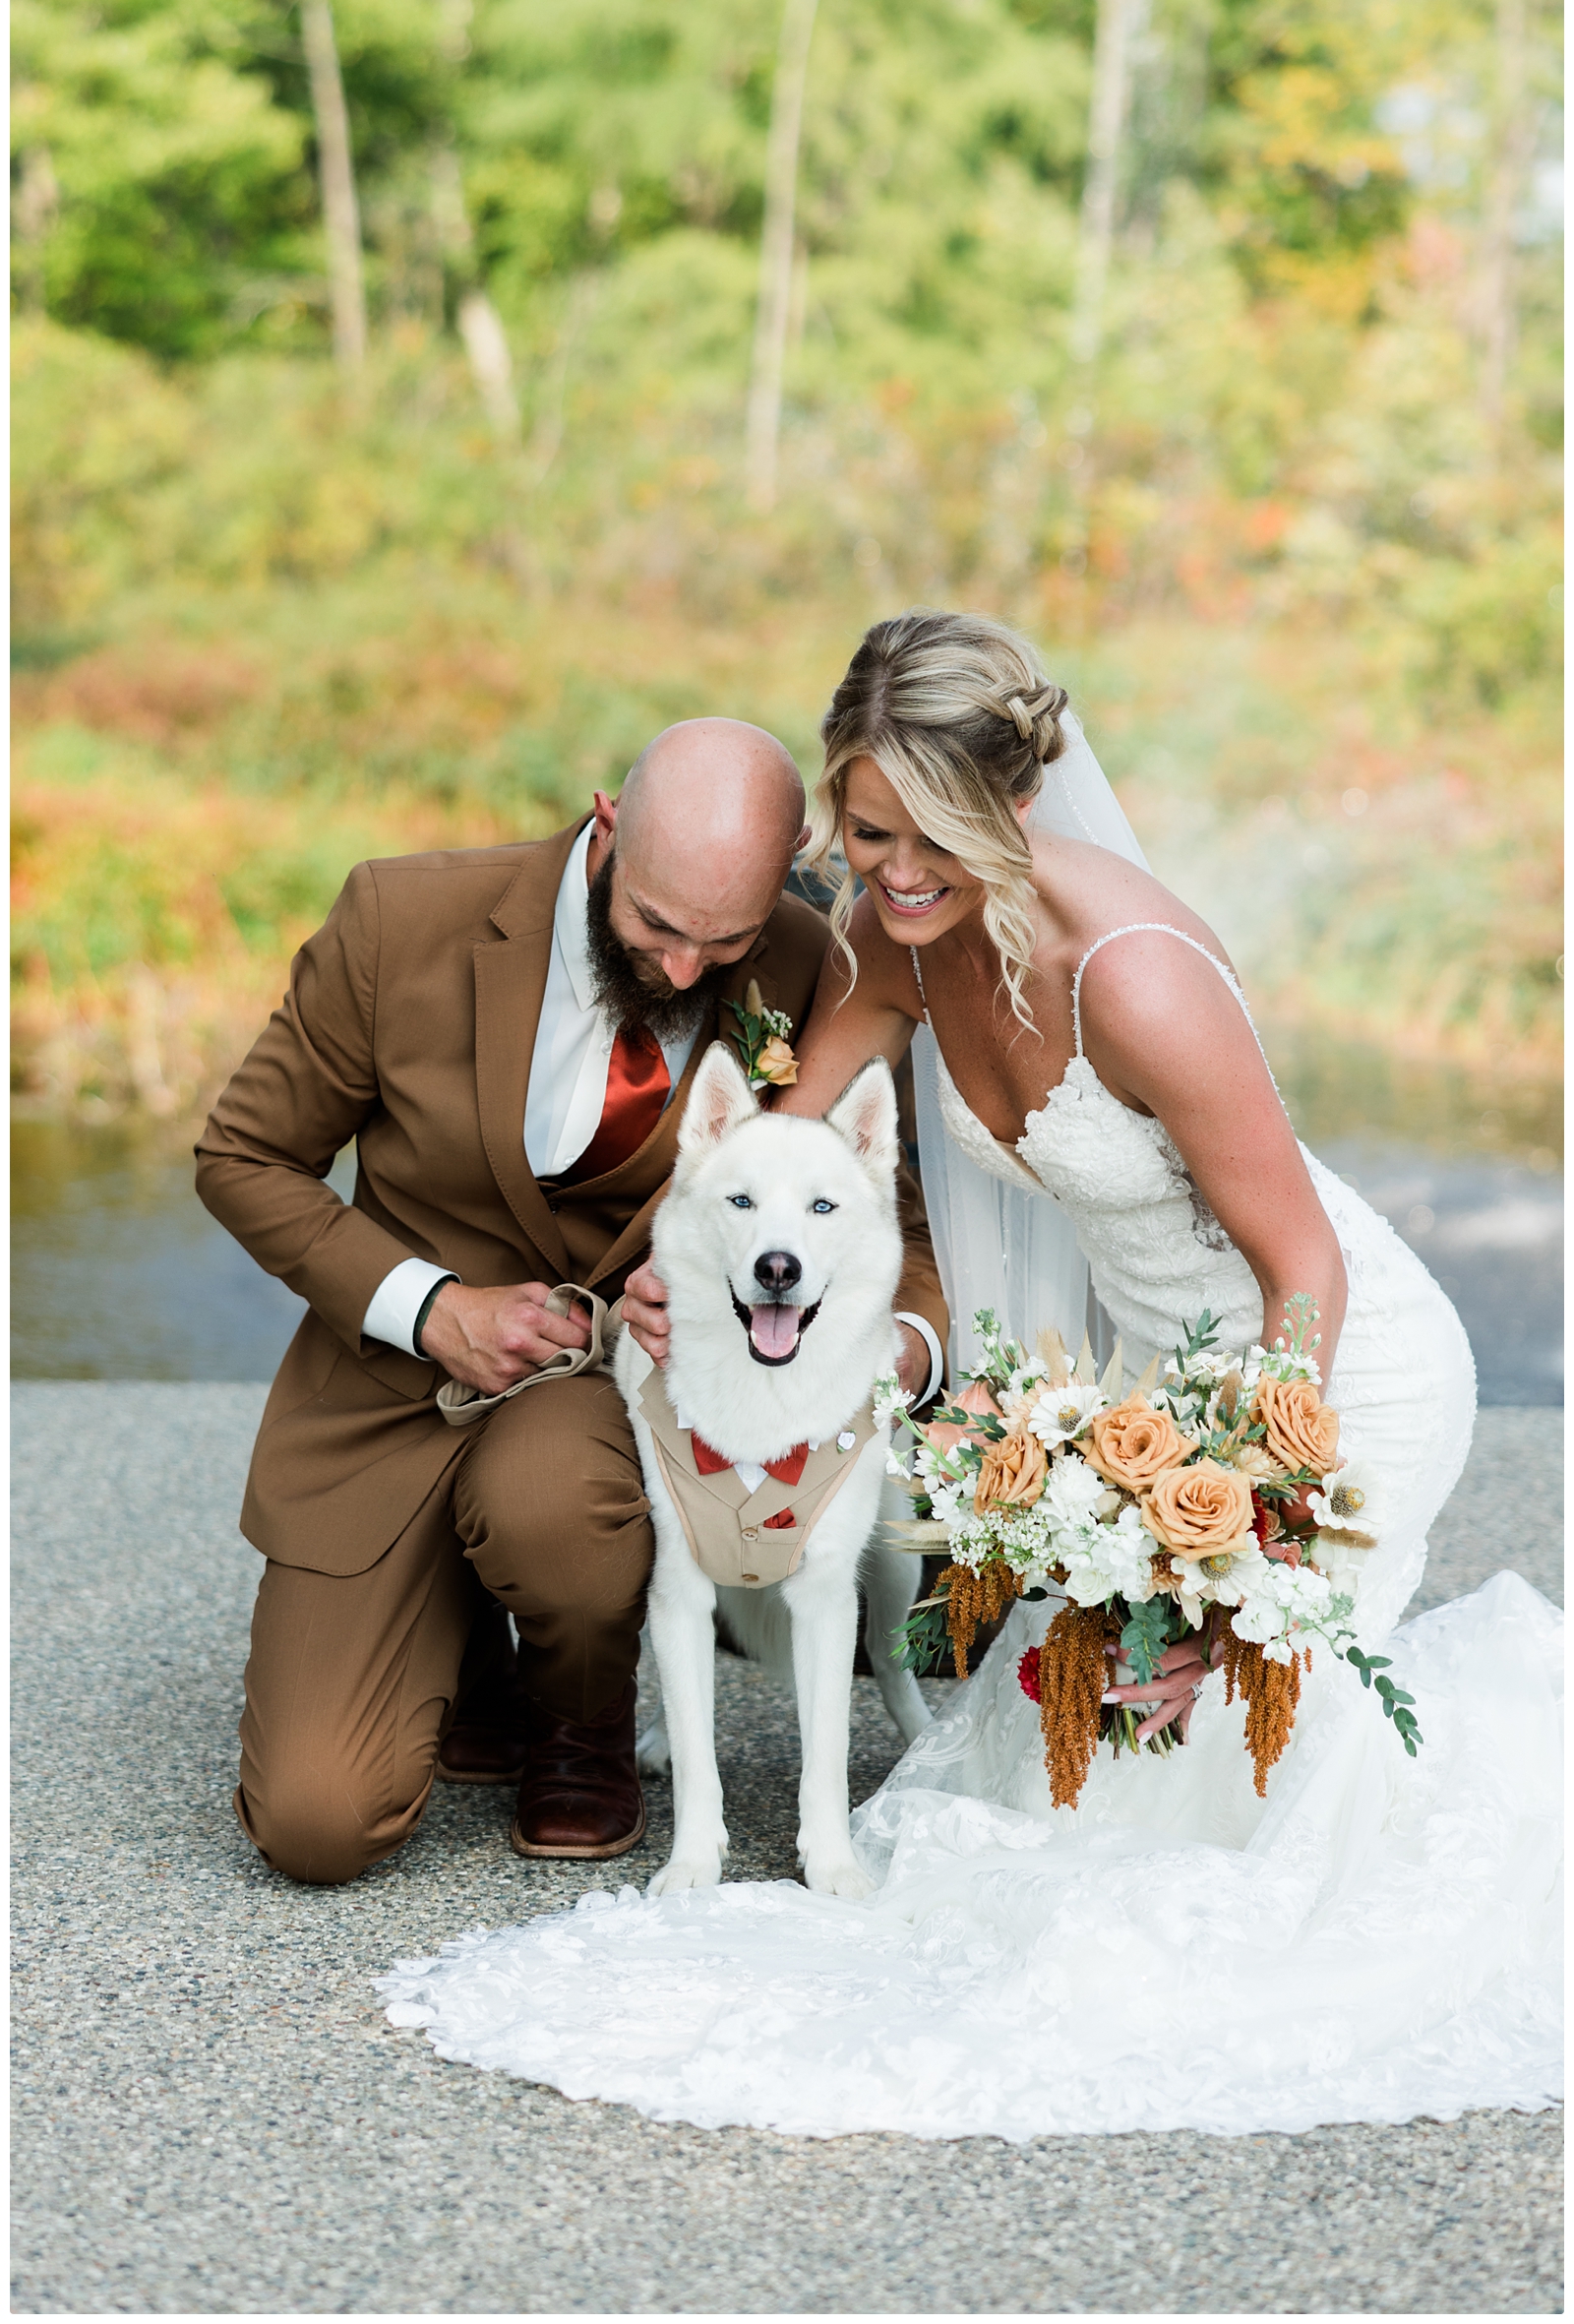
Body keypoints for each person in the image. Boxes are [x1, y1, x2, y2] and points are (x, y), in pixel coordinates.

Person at [379, 614, 1561, 2142]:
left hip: (1323, 1384)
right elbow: (781, 1149)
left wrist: (1227, 1554)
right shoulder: (894, 937)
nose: (894, 876)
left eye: (934, 837)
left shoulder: (1133, 980)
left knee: (1228, 1827)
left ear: (1016, 800)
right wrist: (687, 1267)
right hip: (1157, 1388)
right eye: (866, 836)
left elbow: (1303, 1275)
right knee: (1020, 1812)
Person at [196, 717, 947, 1886]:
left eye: (727, 936)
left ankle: (579, 1713)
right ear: (606, 823)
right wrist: (431, 1305)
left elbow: (890, 1213)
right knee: (316, 1822)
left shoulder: (814, 962)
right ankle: (466, 1652)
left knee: (560, 1503)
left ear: (793, 861)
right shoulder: (401, 921)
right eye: (656, 923)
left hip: (599, 1399)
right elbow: (241, 1154)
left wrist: (898, 1348)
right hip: (387, 1390)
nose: (688, 968)